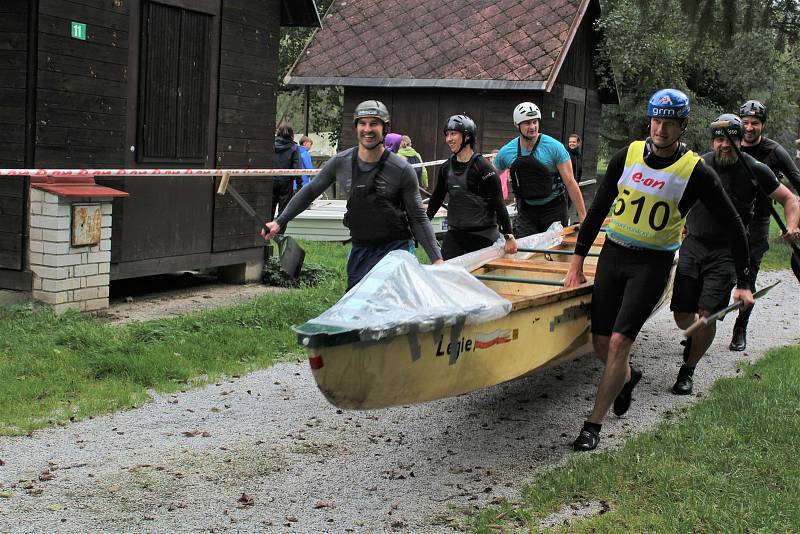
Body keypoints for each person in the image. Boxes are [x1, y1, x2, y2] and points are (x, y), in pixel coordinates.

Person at [563, 89, 754, 452]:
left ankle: (592, 425)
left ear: (682, 126)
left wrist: (743, 283)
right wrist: (577, 261)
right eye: (655, 120)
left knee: (620, 342)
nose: (660, 129)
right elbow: (598, 208)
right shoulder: (629, 155)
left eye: (668, 123)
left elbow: (735, 226)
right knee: (600, 343)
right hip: (614, 254)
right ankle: (628, 377)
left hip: (652, 263)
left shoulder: (695, 170)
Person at [670, 114, 799, 395]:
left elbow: (790, 199)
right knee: (682, 315)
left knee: (708, 314)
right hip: (693, 245)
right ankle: (697, 338)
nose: (724, 145)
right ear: (713, 141)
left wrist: (791, 227)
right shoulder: (699, 165)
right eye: (719, 139)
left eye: (731, 139)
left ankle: (687, 370)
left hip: (729, 252)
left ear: (741, 140)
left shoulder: (756, 170)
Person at [261, 100, 444, 289]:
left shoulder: (401, 169)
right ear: (356, 127)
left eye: (374, 123)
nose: (368, 129)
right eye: (362, 123)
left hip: (395, 251)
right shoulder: (341, 162)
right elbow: (309, 192)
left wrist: (437, 260)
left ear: (384, 128)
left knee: (387, 307)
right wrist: (279, 221)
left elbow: (418, 218)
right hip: (360, 250)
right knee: (357, 308)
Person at [729, 100, 800, 351]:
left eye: (755, 123)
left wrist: (793, 224)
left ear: (763, 126)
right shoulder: (728, 145)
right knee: (722, 269)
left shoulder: (775, 151)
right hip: (730, 218)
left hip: (759, 219)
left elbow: (795, 188)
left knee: (750, 274)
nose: (749, 128)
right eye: (745, 122)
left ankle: (740, 327)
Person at [426, 114, 517, 260]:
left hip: (484, 235)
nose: (449, 139)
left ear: (467, 137)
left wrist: (509, 236)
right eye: (447, 134)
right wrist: (422, 225)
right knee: (443, 275)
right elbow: (436, 199)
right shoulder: (446, 168)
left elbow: (498, 203)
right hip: (455, 234)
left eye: (453, 134)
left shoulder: (484, 168)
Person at [493, 102, 586, 237]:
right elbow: (490, 178)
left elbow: (571, 183)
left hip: (554, 209)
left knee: (554, 254)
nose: (532, 127)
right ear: (517, 125)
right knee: (525, 254)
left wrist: (583, 216)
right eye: (527, 123)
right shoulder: (507, 152)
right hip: (526, 211)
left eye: (535, 122)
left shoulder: (555, 147)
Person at [272, 122, 303, 223]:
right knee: (284, 210)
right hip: (286, 182)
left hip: (271, 180)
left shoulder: (271, 145)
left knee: (269, 208)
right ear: (291, 133)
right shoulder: (294, 147)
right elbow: (296, 166)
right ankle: (279, 234)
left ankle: (266, 231)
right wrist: (299, 185)